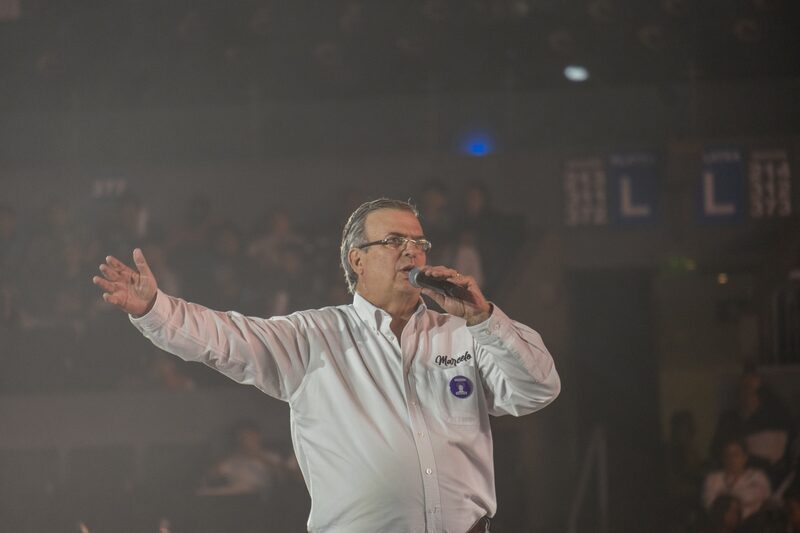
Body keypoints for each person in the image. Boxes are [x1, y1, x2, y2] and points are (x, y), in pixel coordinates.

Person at [92, 198, 561, 533]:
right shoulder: (313, 337)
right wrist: (154, 308)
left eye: (419, 242)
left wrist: (483, 317)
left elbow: (538, 388)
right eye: (394, 240)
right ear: (357, 259)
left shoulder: (463, 331)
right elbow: (224, 339)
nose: (411, 252)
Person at [702, 439, 772, 521]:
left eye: (736, 455)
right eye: (727, 455)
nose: (731, 459)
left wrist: (726, 498)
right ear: (723, 459)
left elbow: (765, 500)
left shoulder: (758, 476)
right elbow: (710, 505)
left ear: (745, 457)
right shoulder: (713, 479)